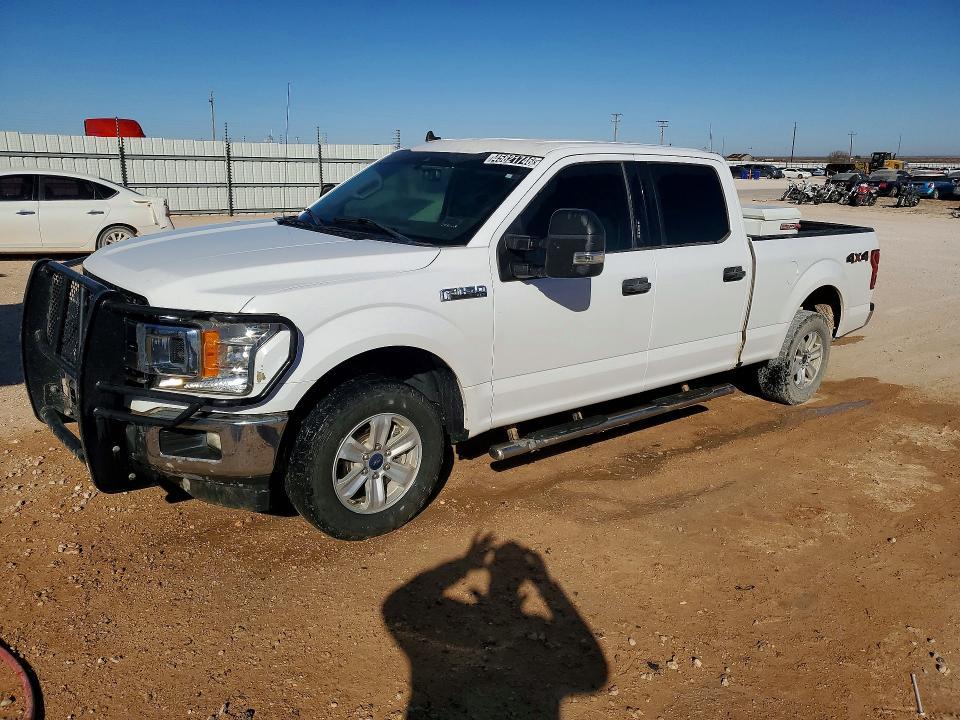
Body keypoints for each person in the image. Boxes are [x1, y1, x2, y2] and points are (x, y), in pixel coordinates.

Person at [383, 534, 608, 719]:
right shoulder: (535, 645)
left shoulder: (449, 640)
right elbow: (595, 675)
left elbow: (394, 608)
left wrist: (464, 566)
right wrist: (546, 586)